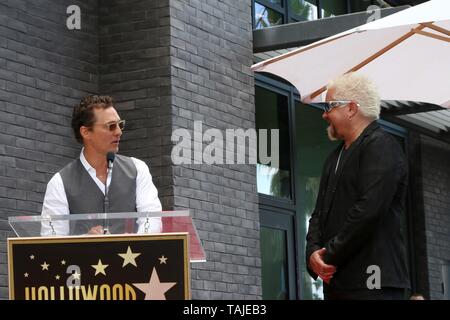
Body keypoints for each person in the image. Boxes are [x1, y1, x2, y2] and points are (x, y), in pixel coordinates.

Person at [305, 72, 410, 300]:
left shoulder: (382, 146)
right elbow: (318, 214)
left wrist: (328, 255)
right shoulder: (334, 158)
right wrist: (312, 254)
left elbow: (368, 211)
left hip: (373, 281)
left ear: (351, 108)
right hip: (337, 281)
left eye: (330, 106)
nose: (324, 115)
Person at [41, 95, 162, 236]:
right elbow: (52, 239)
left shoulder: (138, 169)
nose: (119, 132)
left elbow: (152, 220)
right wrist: (84, 240)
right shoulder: (59, 183)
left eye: (120, 125)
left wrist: (132, 241)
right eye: (111, 126)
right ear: (85, 132)